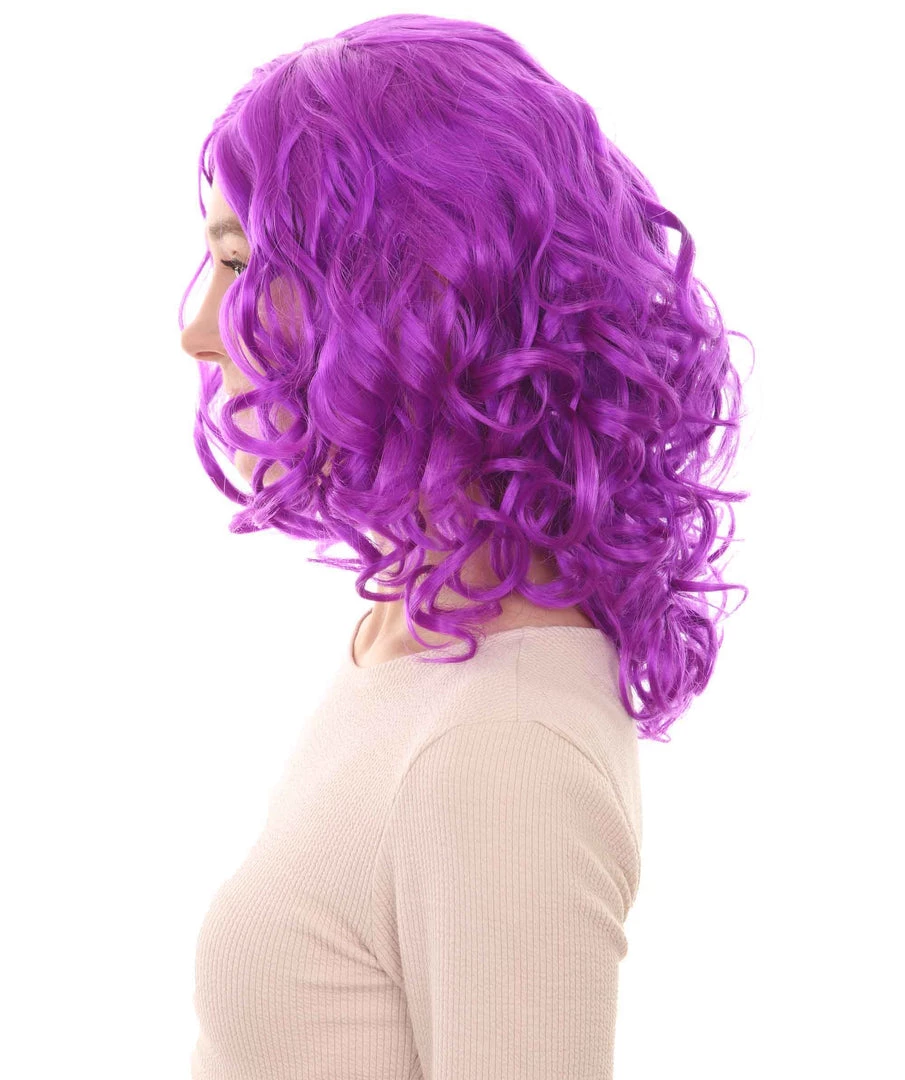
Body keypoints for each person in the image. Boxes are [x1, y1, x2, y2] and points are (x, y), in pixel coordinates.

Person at [177, 14, 749, 1080]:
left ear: (410, 292)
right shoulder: (407, 639)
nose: (198, 327)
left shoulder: (500, 747)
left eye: (242, 263)